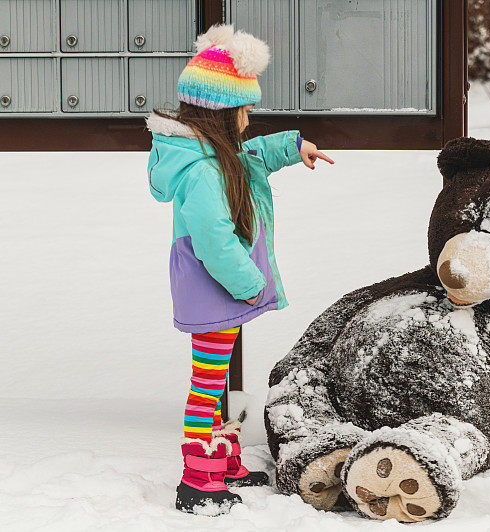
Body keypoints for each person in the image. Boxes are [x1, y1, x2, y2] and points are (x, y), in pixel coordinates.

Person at [145, 24, 333, 515]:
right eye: (245, 109)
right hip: (215, 292)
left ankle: (221, 461)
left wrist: (294, 148)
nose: (250, 118)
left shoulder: (215, 153)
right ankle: (197, 480)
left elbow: (253, 156)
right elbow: (214, 241)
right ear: (222, 115)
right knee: (206, 385)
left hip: (218, 295)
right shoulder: (205, 171)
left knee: (215, 377)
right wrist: (250, 284)